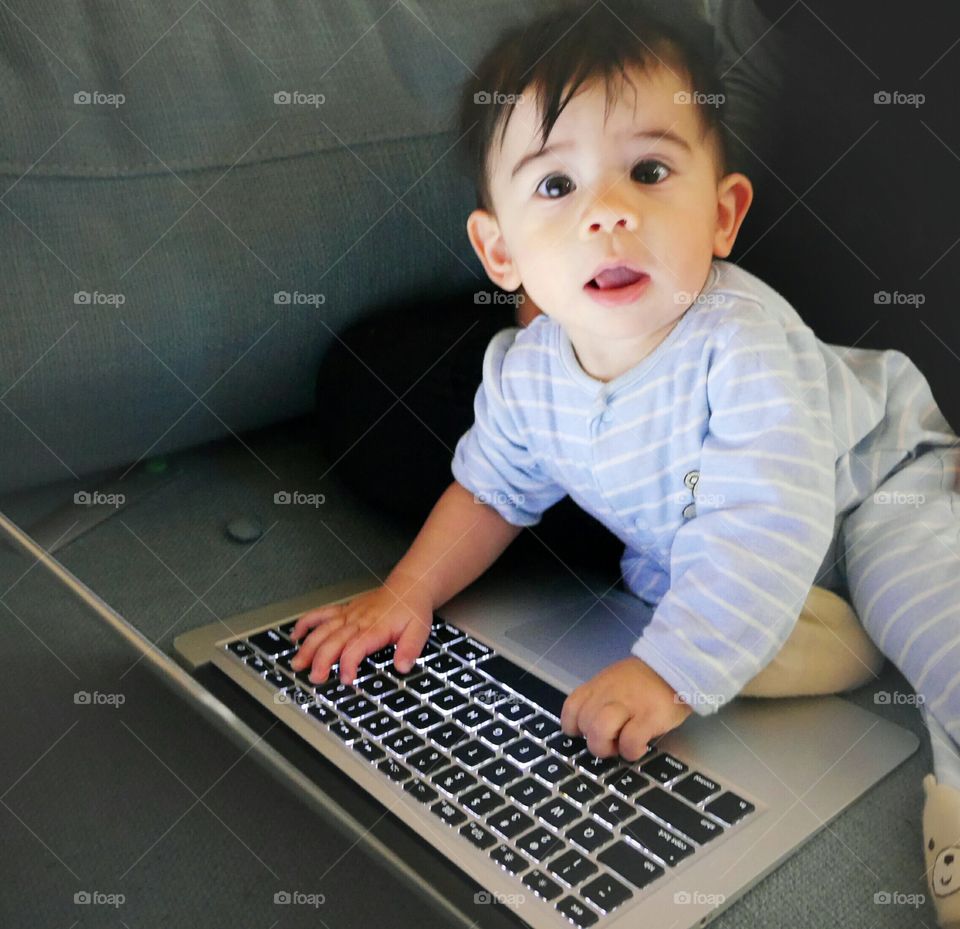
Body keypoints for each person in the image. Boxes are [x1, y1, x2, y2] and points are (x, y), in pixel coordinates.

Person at [300, 3, 960, 921]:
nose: (610, 212)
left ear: (723, 214)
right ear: (501, 251)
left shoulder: (743, 345)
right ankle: (798, 628)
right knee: (669, 574)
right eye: (557, 187)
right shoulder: (528, 372)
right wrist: (407, 591)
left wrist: (669, 673)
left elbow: (764, 516)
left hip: (875, 486)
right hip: (733, 553)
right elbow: (489, 491)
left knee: (928, 610)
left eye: (649, 171)